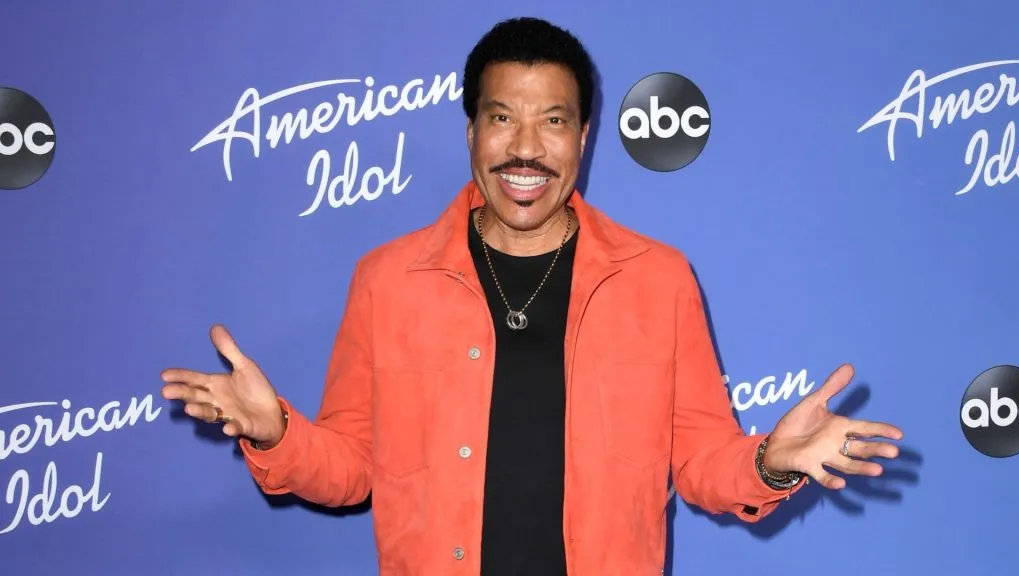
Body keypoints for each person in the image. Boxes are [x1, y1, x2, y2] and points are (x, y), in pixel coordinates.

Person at [160, 16, 904, 575]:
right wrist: (277, 433)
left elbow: (703, 463)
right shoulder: (387, 280)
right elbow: (353, 468)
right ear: (471, 133)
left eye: (553, 121)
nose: (525, 148)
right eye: (501, 117)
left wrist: (770, 463)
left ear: (583, 138)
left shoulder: (657, 278)